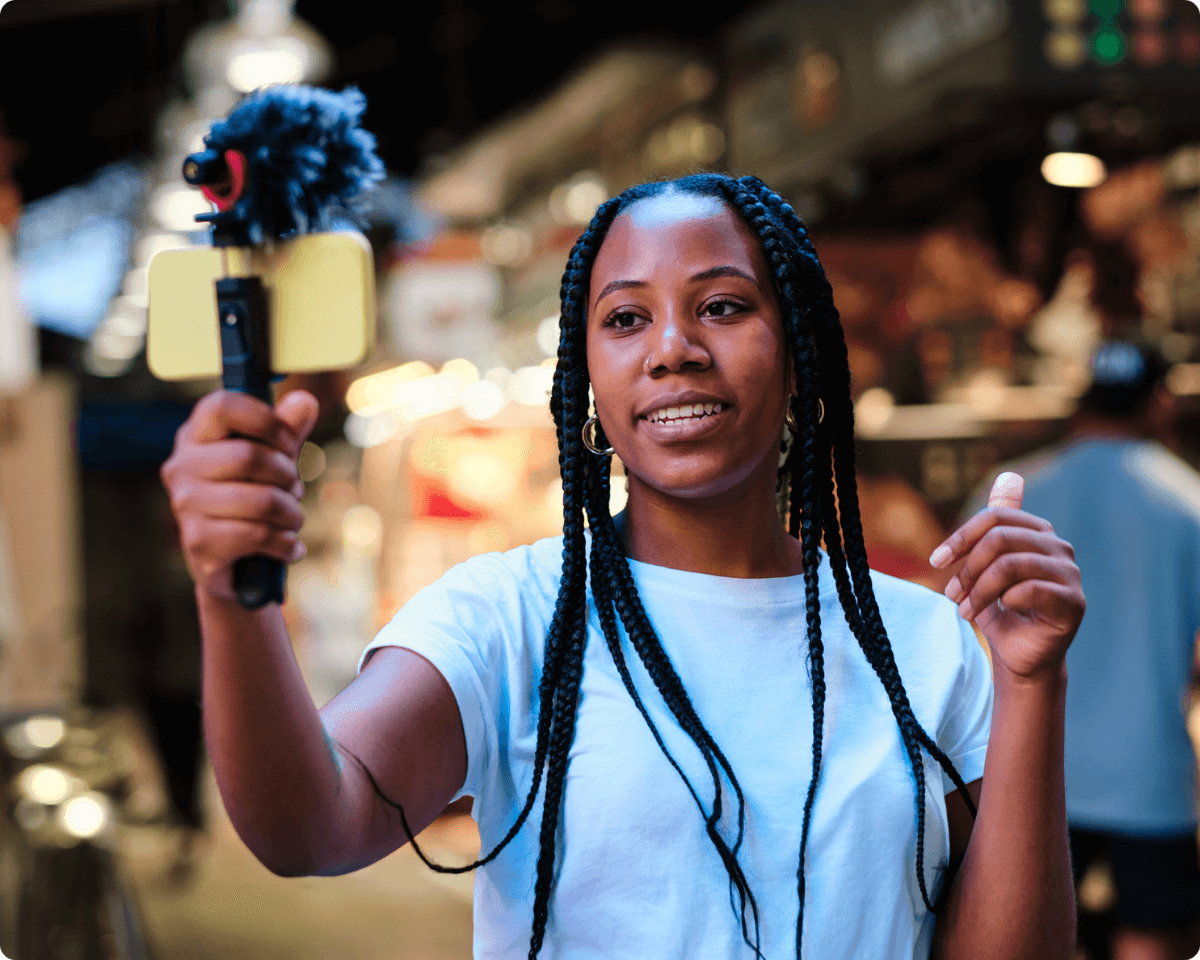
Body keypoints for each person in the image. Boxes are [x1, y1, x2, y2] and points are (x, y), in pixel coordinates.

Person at [160, 173, 1085, 959]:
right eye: (627, 318)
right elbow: (308, 824)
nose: (673, 349)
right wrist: (228, 593)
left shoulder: (924, 645)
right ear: (590, 382)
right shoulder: (510, 621)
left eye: (722, 306)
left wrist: (1031, 681)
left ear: (799, 357)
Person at [964, 338, 1200, 960]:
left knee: (1038, 940)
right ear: (1159, 403)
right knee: (1147, 939)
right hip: (1150, 777)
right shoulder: (1189, 504)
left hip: (1029, 773)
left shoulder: (1005, 501)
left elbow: (958, 638)